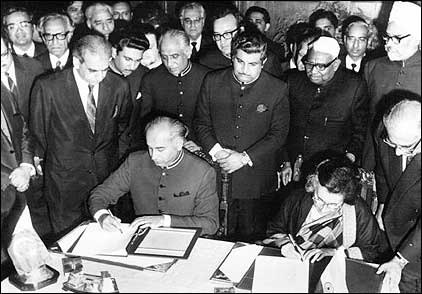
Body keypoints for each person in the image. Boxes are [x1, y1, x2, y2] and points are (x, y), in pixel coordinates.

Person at [29, 34, 132, 237]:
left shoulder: (118, 85)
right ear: (77, 62)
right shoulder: (48, 87)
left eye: (105, 68)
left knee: (106, 235)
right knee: (68, 240)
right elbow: (38, 132)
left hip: (105, 176)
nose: (101, 76)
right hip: (64, 180)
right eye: (93, 70)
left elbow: (123, 127)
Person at [194, 28, 290, 242]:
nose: (245, 70)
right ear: (231, 57)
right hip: (215, 175)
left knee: (251, 241)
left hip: (255, 182)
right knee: (213, 237)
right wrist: (219, 154)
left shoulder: (278, 88)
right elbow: (201, 123)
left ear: (263, 62)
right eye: (240, 62)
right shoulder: (212, 81)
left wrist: (243, 158)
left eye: (253, 64)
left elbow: (279, 134)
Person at [89, 116, 219, 236]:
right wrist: (102, 216)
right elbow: (100, 194)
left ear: (179, 144)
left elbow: (210, 224)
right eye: (150, 148)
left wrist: (164, 220)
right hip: (143, 239)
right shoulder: (135, 162)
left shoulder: (202, 171)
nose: (153, 156)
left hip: (184, 240)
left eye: (160, 149)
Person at [280, 36, 368, 186]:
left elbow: (360, 132)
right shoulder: (293, 81)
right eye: (309, 64)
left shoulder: (354, 86)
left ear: (335, 65)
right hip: (294, 170)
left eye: (321, 66)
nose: (313, 71)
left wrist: (345, 164)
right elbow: (280, 125)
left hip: (331, 174)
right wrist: (285, 160)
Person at [263, 156, 382, 263]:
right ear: (313, 184)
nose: (323, 209)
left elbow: (371, 251)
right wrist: (285, 244)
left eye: (333, 205)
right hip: (295, 263)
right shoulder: (297, 198)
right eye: (319, 199)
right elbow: (273, 232)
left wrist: (334, 253)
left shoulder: (358, 210)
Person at [362, 1, 421, 171]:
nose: (389, 43)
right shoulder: (373, 67)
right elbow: (367, 119)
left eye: (397, 38)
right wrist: (367, 163)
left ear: (417, 37)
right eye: (387, 37)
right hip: (377, 160)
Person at [130, 29, 209, 152]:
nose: (169, 63)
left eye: (175, 56)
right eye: (164, 57)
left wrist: (200, 144)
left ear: (188, 52)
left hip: (200, 146)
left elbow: (215, 120)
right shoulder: (151, 79)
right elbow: (145, 120)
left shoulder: (207, 77)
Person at [372, 98, 421, 292]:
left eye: (407, 148)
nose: (399, 153)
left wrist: (400, 260)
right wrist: (383, 202)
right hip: (397, 228)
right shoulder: (387, 132)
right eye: (393, 144)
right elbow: (382, 171)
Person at [199, 5, 284, 79]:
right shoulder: (207, 62)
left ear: (241, 30)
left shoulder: (267, 60)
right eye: (217, 35)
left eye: (227, 34)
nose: (222, 41)